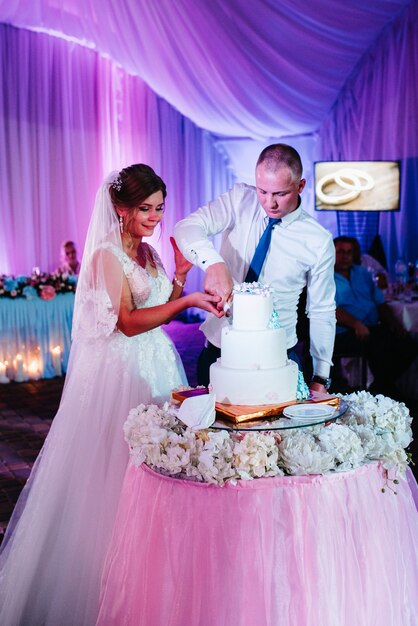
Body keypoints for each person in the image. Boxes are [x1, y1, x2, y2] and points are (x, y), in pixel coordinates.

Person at [0, 164, 222, 626]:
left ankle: (150, 572)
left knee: (162, 469)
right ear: (120, 209)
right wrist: (184, 301)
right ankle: (104, 583)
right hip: (121, 374)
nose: (155, 218)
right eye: (145, 209)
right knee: (115, 478)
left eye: (160, 208)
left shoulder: (149, 251)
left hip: (160, 368)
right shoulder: (105, 255)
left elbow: (156, 307)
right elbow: (127, 322)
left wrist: (179, 277)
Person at [174, 143, 336, 392]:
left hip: (278, 359)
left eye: (280, 194)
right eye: (263, 191)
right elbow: (186, 227)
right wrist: (214, 263)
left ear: (300, 186)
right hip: (219, 353)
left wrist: (321, 376)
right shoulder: (240, 199)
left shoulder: (318, 240)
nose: (269, 203)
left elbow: (322, 310)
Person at [332, 235, 417, 397]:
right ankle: (385, 391)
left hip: (372, 326)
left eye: (349, 252)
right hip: (344, 331)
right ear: (331, 253)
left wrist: (394, 323)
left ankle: (380, 386)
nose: (345, 256)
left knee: (408, 344)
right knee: (379, 347)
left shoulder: (362, 273)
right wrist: (356, 324)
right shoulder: (325, 276)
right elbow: (330, 309)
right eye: (341, 252)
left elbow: (380, 302)